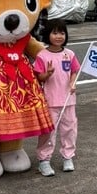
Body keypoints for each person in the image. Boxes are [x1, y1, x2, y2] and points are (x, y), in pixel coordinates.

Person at [33, 19, 81, 176]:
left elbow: (74, 71)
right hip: (50, 101)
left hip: (68, 101)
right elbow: (39, 77)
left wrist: (73, 83)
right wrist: (47, 74)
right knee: (48, 133)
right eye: (55, 33)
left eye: (62, 33)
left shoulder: (70, 54)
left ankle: (68, 157)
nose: (59, 36)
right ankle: (44, 160)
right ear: (47, 34)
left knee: (70, 130)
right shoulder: (42, 55)